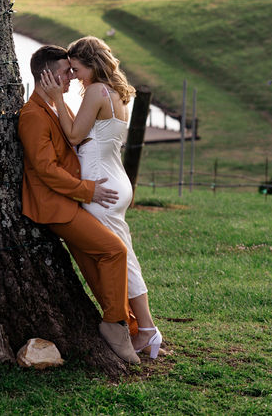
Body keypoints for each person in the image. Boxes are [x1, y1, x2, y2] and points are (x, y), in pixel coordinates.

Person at [39, 36, 163, 359]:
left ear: (91, 64)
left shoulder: (95, 92)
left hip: (100, 187)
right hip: (116, 181)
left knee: (114, 256)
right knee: (127, 256)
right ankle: (146, 329)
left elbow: (75, 135)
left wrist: (54, 97)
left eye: (76, 69)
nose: (75, 76)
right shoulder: (117, 92)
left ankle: (140, 328)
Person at [19, 45, 141, 364]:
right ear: (44, 75)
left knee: (95, 262)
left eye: (73, 71)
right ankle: (115, 326)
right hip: (56, 206)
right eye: (64, 72)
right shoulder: (32, 114)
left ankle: (129, 324)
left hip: (71, 199)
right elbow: (45, 169)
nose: (71, 78)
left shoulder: (61, 108)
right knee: (114, 251)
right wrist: (87, 190)